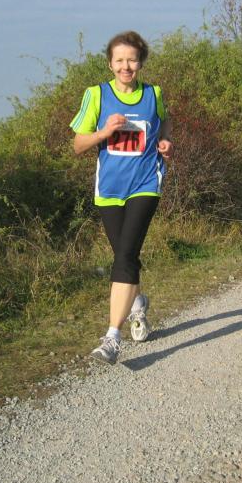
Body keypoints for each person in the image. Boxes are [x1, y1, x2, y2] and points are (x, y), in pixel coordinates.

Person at [69, 31, 172, 365]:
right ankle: (137, 303)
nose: (126, 66)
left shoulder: (153, 94)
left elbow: (164, 122)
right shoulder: (96, 94)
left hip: (145, 184)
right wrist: (104, 132)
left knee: (125, 255)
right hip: (109, 190)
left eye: (132, 60)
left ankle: (112, 338)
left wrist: (165, 142)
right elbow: (78, 145)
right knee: (123, 257)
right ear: (110, 64)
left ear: (141, 62)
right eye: (120, 60)